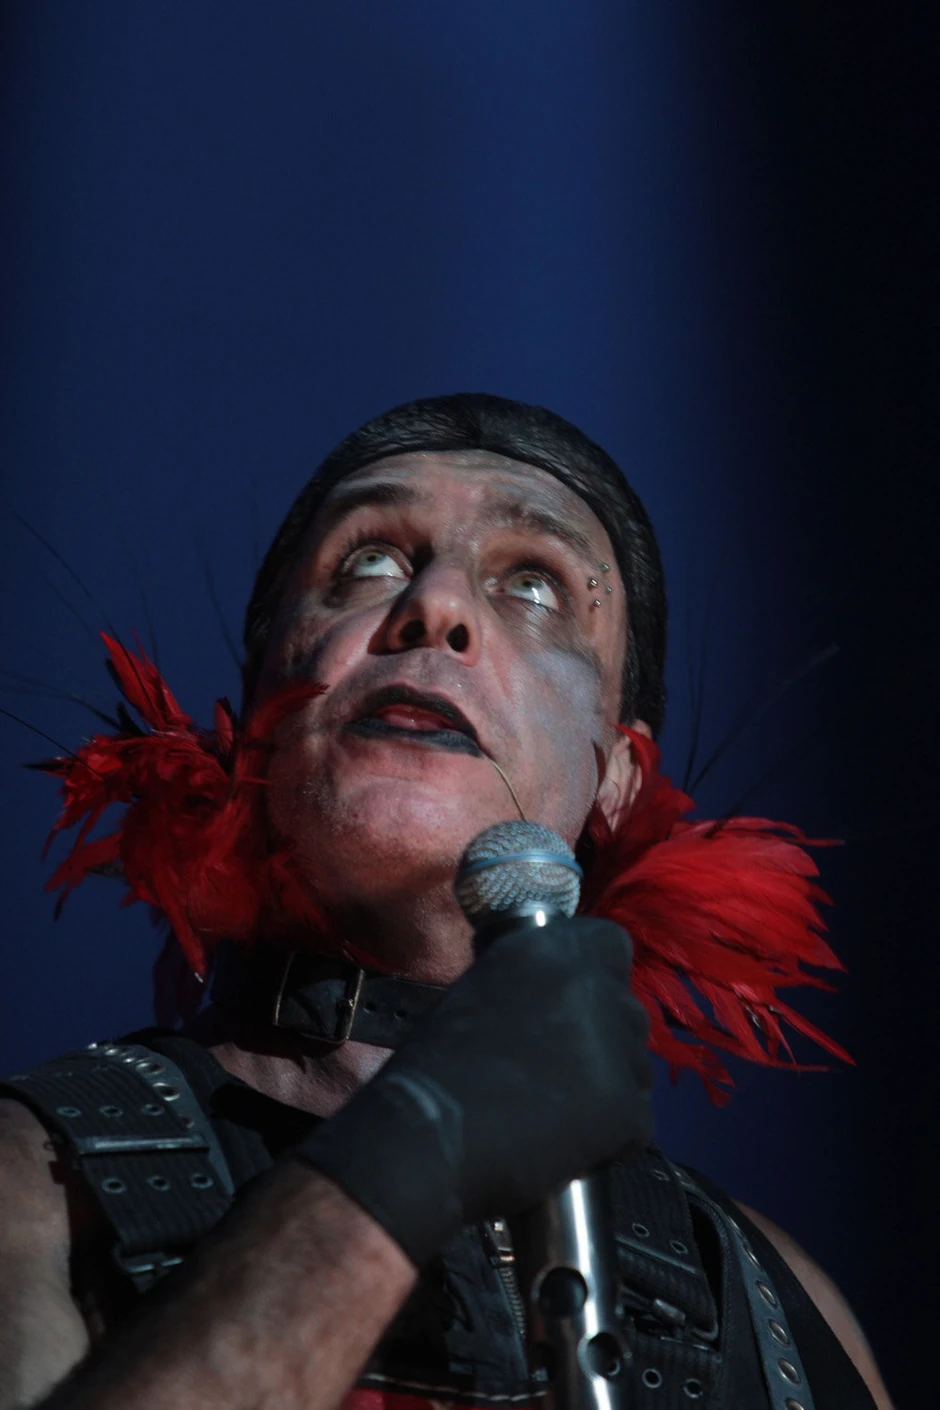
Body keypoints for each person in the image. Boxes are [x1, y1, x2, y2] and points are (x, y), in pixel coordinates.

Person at [0, 394, 894, 1409]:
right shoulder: (32, 1179)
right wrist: (411, 1149)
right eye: (368, 563)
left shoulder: (775, 1305)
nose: (436, 606)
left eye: (534, 584)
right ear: (258, 709)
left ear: (618, 777)